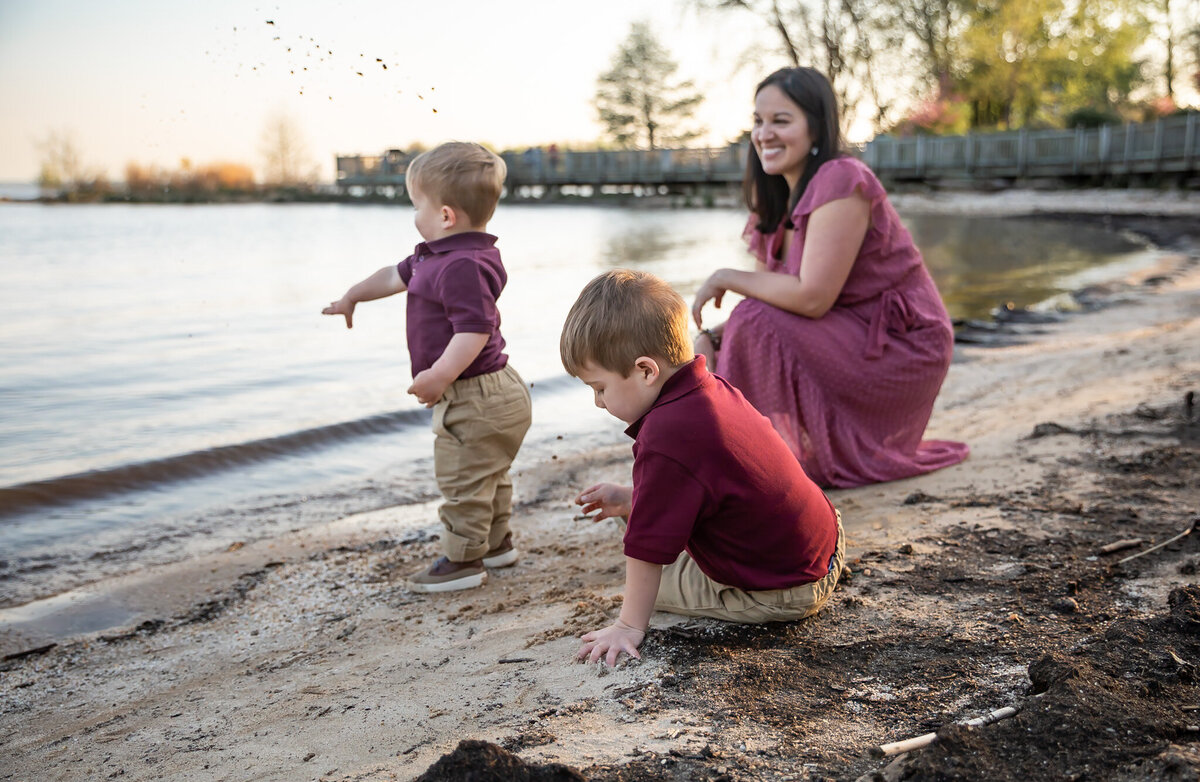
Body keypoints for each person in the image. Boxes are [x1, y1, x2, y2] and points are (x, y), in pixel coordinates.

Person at [691, 67, 968, 488]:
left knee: (749, 320)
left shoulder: (842, 179)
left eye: (781, 121)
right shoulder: (776, 204)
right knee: (725, 336)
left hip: (902, 346)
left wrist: (725, 276)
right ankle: (731, 464)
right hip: (845, 334)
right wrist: (711, 338)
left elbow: (812, 297)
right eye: (758, 121)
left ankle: (742, 469)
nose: (765, 134)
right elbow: (774, 302)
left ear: (816, 127)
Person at [560, 269, 844, 666]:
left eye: (600, 388)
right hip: (825, 543)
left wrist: (628, 624)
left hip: (786, 588)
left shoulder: (665, 435)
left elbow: (647, 551)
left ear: (645, 371)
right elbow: (719, 482)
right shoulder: (710, 386)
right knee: (638, 513)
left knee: (647, 583)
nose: (598, 403)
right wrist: (631, 498)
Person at [323, 142, 532, 593]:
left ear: (445, 215)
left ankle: (463, 561)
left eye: (416, 205)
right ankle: (496, 545)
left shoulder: (462, 265)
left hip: (475, 394)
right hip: (491, 392)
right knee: (488, 474)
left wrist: (440, 374)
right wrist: (353, 295)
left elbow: (473, 330)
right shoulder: (433, 256)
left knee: (462, 478)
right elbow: (391, 276)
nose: (412, 215)